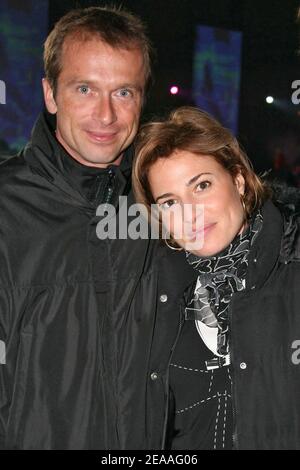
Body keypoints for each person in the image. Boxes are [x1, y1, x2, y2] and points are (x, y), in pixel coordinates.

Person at [0, 7, 196, 450]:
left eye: (123, 92)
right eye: (85, 88)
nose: (106, 115)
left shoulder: (161, 201)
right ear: (51, 94)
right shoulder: (7, 208)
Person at [133, 106, 300, 450]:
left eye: (202, 185)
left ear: (238, 180)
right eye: (169, 202)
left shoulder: (292, 267)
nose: (190, 214)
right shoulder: (159, 291)